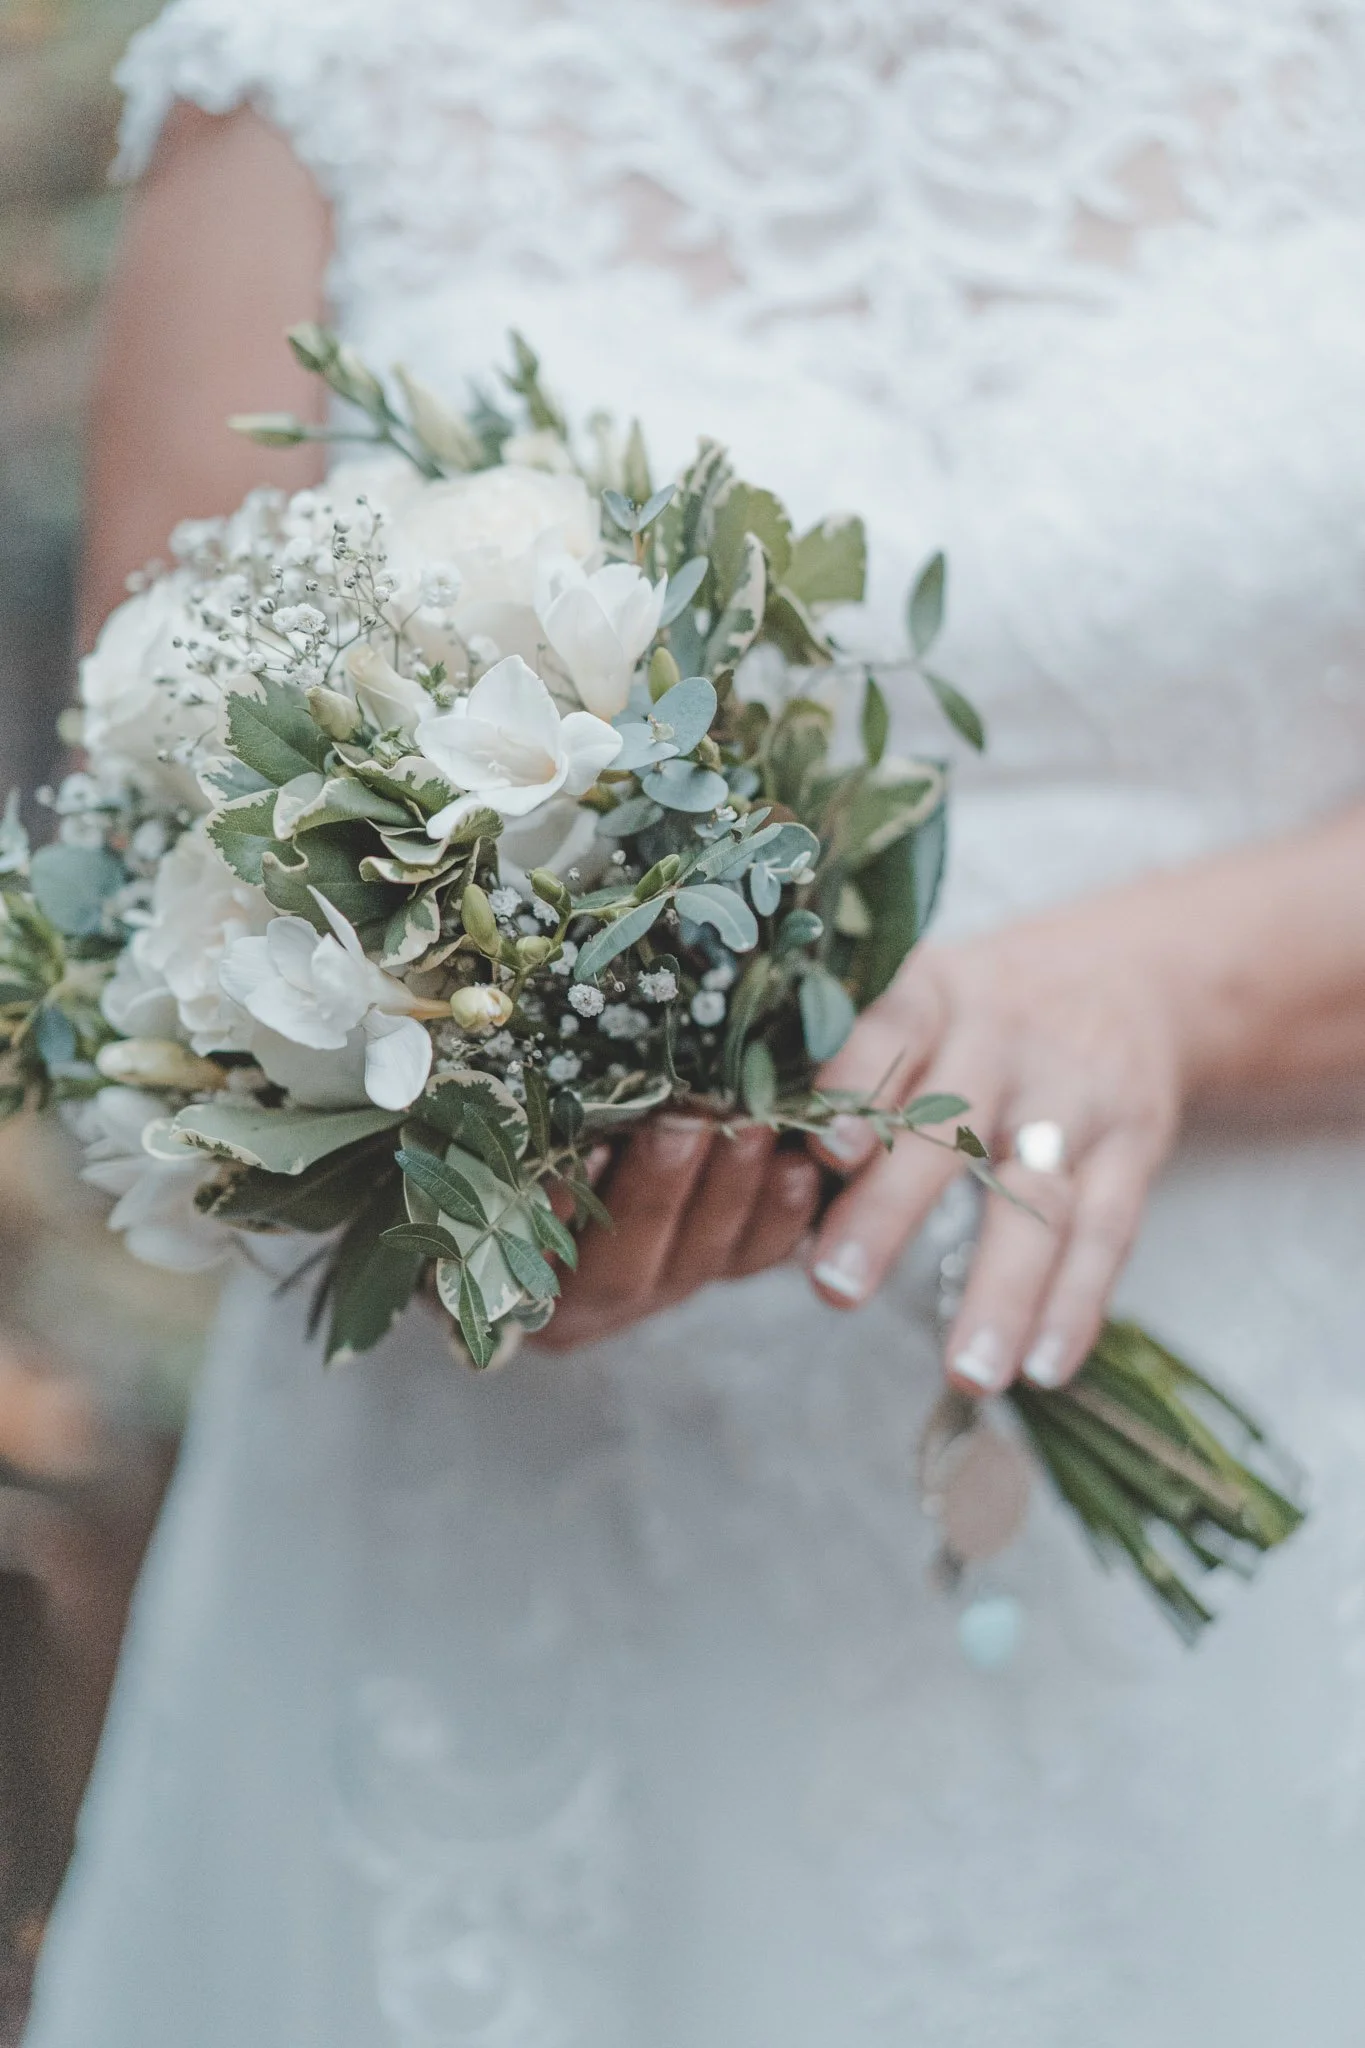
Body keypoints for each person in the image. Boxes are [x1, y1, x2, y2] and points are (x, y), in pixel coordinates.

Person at [22, 2, 1365, 2041]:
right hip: (557, 1553)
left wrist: (1158, 985)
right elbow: (159, 878)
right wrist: (453, 1197)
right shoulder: (309, 63)